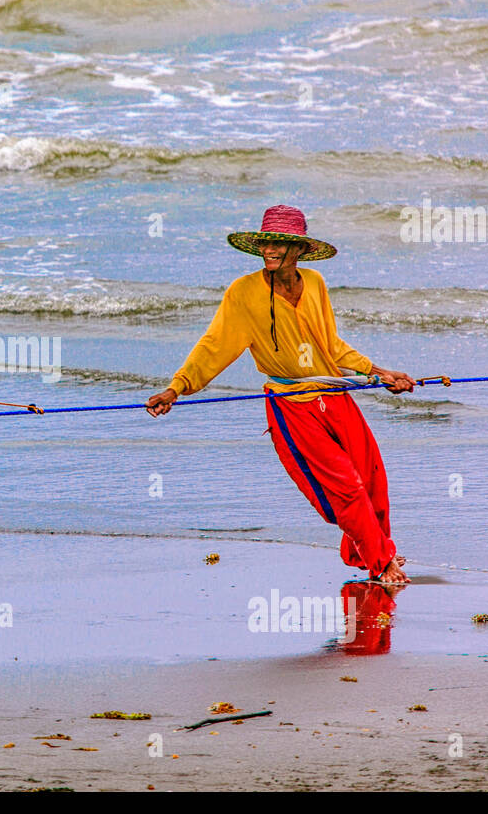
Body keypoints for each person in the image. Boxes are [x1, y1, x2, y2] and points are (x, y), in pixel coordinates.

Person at [145, 205, 415, 585]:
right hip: (291, 404)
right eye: (266, 241)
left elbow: (330, 345)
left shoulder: (316, 284)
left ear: (300, 250)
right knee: (345, 486)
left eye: (281, 243)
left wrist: (377, 371)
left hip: (332, 393)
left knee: (372, 477)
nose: (270, 249)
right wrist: (178, 387)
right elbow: (215, 345)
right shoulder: (243, 293)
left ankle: (370, 546)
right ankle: (381, 562)